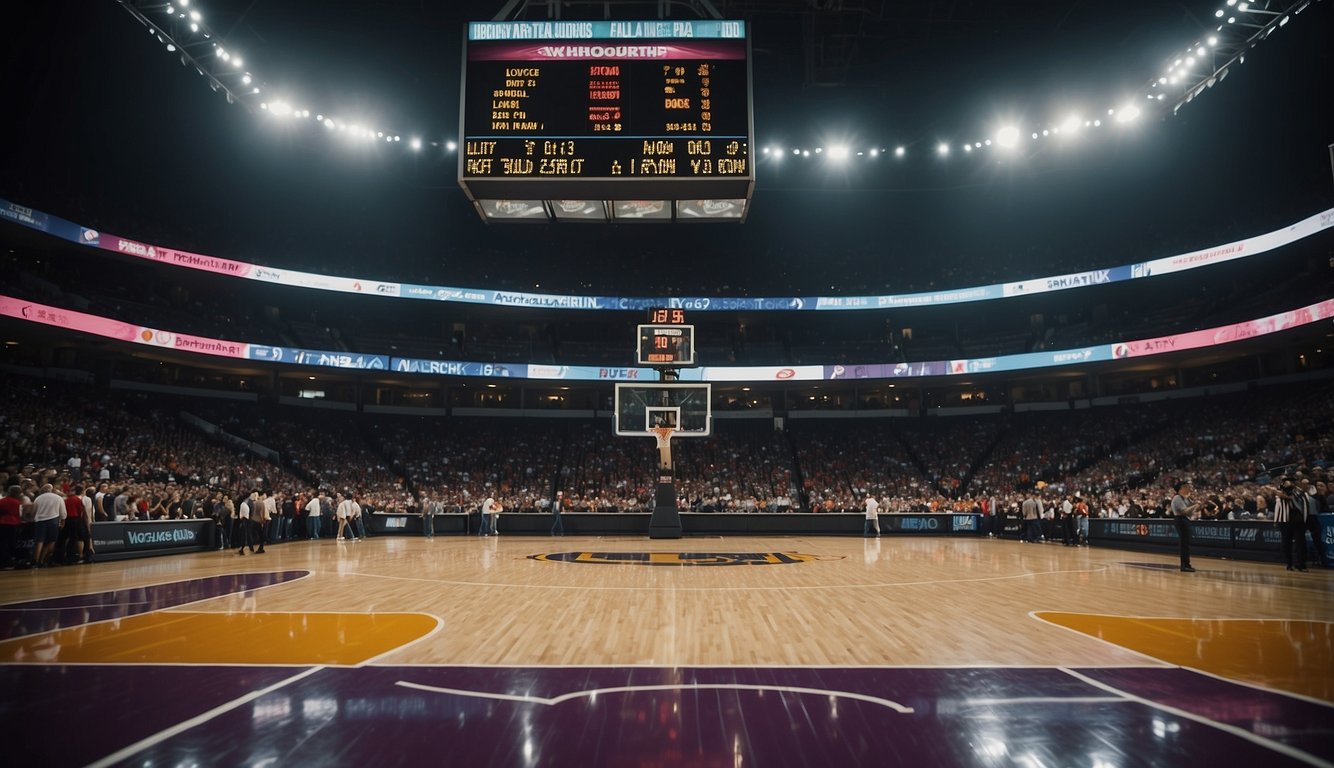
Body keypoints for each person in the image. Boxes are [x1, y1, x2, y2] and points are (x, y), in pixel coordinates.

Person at [1272, 479, 1305, 572]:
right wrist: (1276, 520)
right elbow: (1278, 506)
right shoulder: (1279, 493)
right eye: (1284, 482)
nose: (1285, 483)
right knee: (1286, 544)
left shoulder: (1297, 491)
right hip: (1284, 521)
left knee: (1299, 543)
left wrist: (1279, 493)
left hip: (1297, 521)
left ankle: (1300, 564)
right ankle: (1289, 563)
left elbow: (1292, 498)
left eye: (1287, 482)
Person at [31, 484, 67, 568]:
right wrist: (63, 521)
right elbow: (63, 512)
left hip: (40, 521)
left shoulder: (38, 498)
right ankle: (43, 560)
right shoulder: (58, 498)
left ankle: (35, 561)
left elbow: (33, 511)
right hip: (53, 520)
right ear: (52, 489)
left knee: (39, 541)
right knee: (51, 541)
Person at [1170, 482, 1202, 572]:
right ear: (1181, 488)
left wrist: (1197, 503)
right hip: (1180, 519)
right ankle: (1184, 565)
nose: (1189, 488)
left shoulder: (1185, 498)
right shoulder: (1177, 498)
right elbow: (1184, 511)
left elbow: (1193, 509)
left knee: (1186, 543)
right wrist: (1195, 505)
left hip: (1184, 519)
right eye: (1186, 487)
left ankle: (1186, 564)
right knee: (1184, 543)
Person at [0, 485, 30, 569]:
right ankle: (7, 562)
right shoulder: (17, 503)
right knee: (10, 543)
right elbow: (20, 515)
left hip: (2, 524)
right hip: (13, 524)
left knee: (2, 543)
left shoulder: (1, 501)